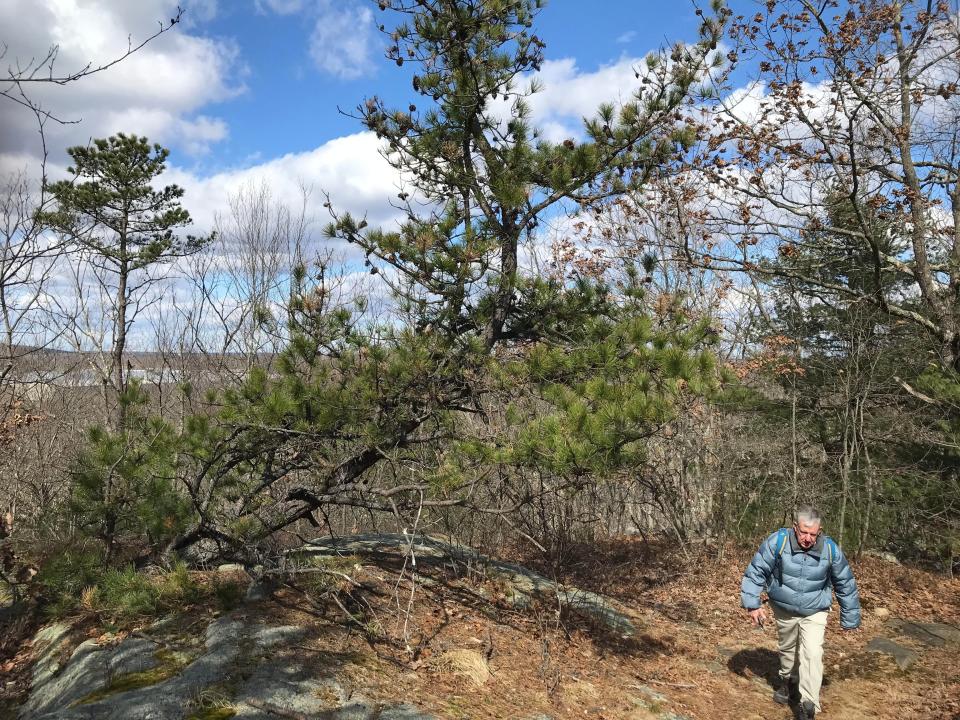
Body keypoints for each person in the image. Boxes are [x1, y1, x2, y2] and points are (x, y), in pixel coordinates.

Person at [740, 506, 861, 720]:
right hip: (784, 607)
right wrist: (752, 604)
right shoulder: (778, 541)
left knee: (812, 653)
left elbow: (845, 583)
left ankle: (808, 705)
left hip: (815, 610)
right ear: (795, 527)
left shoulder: (830, 549)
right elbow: (756, 571)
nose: (807, 538)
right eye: (803, 532)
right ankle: (788, 681)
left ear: (819, 531)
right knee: (788, 651)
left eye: (813, 534)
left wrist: (849, 618)